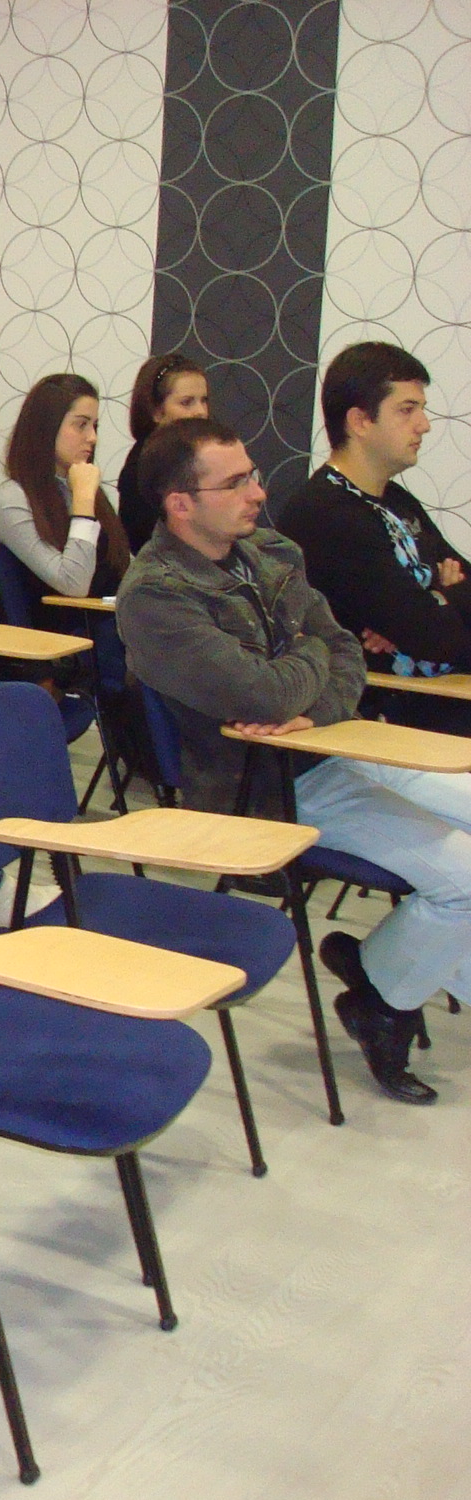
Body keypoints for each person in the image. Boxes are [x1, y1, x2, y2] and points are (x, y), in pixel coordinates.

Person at [116, 417, 471, 1106]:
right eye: (235, 483)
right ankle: (382, 1000)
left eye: (252, 474)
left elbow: (345, 653)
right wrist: (308, 657)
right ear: (180, 504)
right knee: (461, 879)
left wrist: (316, 697)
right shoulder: (156, 595)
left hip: (332, 742)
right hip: (265, 783)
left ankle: (382, 967)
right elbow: (268, 694)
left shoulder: (269, 550)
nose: (258, 492)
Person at [279, 343, 471, 735]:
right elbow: (432, 637)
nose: (424, 425)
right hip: (386, 715)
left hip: (442, 698)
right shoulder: (327, 514)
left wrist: (438, 601)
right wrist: (437, 603)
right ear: (360, 421)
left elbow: (429, 623)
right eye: (407, 410)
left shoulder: (396, 499)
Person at [0, 373, 132, 599]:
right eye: (81, 425)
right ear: (47, 427)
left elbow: (124, 566)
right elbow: (73, 583)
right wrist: (83, 503)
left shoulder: (80, 488)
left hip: (112, 613)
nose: (92, 437)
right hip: (65, 619)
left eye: (94, 426)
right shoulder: (12, 499)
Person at [117, 352, 210, 551]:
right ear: (156, 411)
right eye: (187, 402)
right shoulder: (140, 469)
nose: (201, 411)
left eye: (204, 400)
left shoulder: (202, 456)